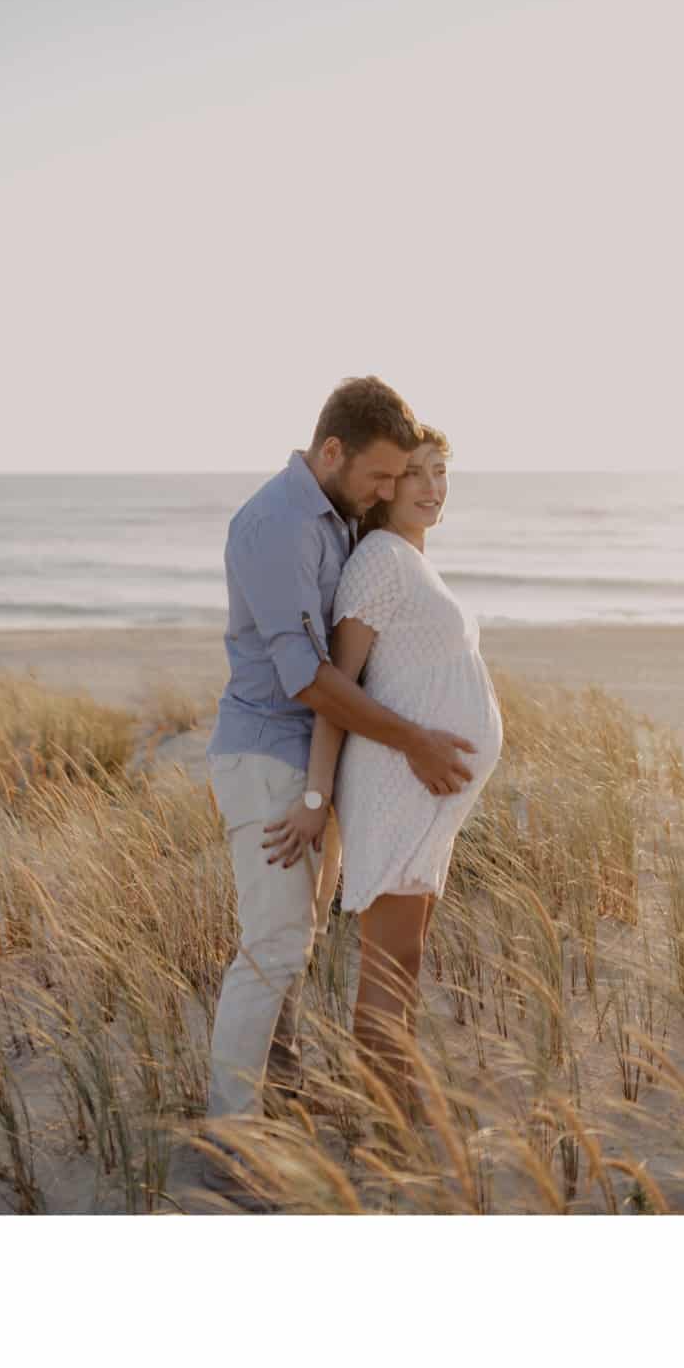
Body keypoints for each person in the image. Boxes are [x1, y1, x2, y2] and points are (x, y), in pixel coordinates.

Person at [199, 378, 478, 1203]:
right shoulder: (276, 526)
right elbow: (310, 680)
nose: (390, 492)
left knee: (298, 936)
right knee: (275, 943)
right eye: (382, 476)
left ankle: (275, 1096)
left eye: (403, 480)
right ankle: (230, 1140)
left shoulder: (333, 519)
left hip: (309, 765)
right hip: (270, 760)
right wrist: (414, 740)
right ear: (332, 452)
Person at [260, 426, 503, 1128]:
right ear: (387, 485)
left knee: (406, 956)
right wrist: (316, 794)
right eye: (416, 474)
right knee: (389, 965)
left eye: (440, 473)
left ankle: (396, 1106)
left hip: (426, 797)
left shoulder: (411, 561)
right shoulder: (380, 561)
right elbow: (335, 682)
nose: (431, 487)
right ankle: (389, 1125)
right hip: (398, 788)